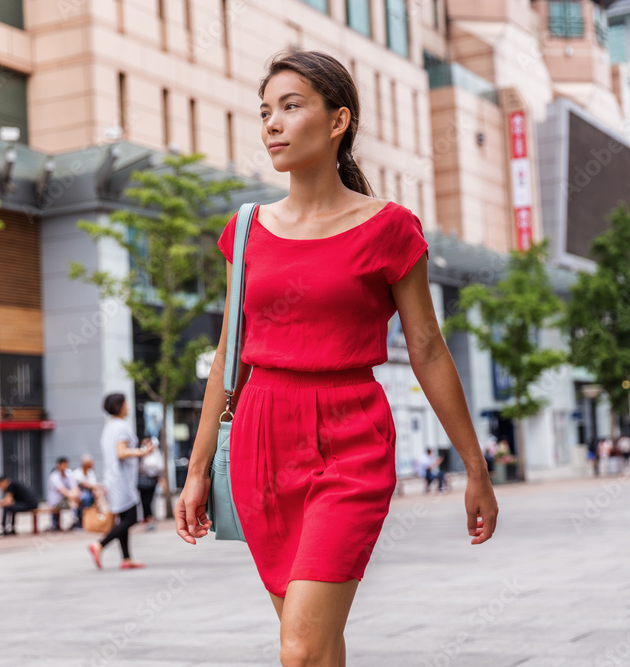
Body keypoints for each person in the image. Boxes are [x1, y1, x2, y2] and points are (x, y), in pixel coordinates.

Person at [172, 50, 499, 666]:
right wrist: (195, 470)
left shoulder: (391, 228)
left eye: (291, 107)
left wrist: (475, 467)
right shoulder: (247, 231)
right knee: (318, 648)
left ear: (338, 119)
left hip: (350, 436)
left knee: (298, 649)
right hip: (262, 441)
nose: (272, 123)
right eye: (265, 111)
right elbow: (227, 355)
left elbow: (427, 348)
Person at [88, 393, 156, 570]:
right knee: (131, 518)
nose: (128, 407)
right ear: (119, 406)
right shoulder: (121, 427)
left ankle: (126, 558)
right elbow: (122, 452)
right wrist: (142, 452)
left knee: (124, 518)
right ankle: (100, 545)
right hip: (122, 481)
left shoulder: (109, 427)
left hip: (113, 479)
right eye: (126, 404)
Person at [137, 436, 165, 530]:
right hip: (141, 480)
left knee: (149, 501)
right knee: (144, 501)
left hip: (152, 480)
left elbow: (160, 467)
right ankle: (147, 518)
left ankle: (150, 519)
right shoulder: (141, 455)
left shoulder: (156, 454)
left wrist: (161, 480)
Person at [46, 457, 80, 531]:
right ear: (59, 465)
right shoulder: (54, 476)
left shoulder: (69, 473)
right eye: (63, 465)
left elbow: (74, 487)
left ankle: (75, 521)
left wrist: (74, 495)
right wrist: (73, 496)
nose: (65, 467)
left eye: (66, 465)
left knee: (78, 498)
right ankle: (74, 520)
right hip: (56, 501)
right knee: (72, 500)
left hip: (68, 498)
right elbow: (63, 491)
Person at [73, 454, 100, 529]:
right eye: (91, 463)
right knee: (86, 497)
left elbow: (93, 485)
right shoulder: (77, 473)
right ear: (85, 464)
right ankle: (83, 520)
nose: (93, 464)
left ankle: (97, 519)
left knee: (98, 496)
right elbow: (86, 484)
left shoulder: (90, 472)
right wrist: (95, 487)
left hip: (90, 495)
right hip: (78, 496)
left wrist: (96, 490)